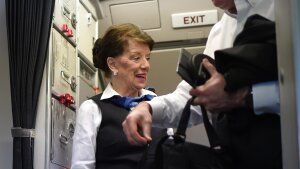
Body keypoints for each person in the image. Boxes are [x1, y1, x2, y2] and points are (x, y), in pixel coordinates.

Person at [122, 0, 281, 169]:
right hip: (234, 156)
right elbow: (193, 94)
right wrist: (148, 108)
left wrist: (246, 98)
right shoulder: (220, 31)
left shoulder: (285, 9)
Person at [71, 23, 166, 169]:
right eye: (136, 58)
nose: (146, 65)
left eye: (147, 58)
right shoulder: (92, 109)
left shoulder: (158, 103)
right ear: (113, 64)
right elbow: (82, 166)